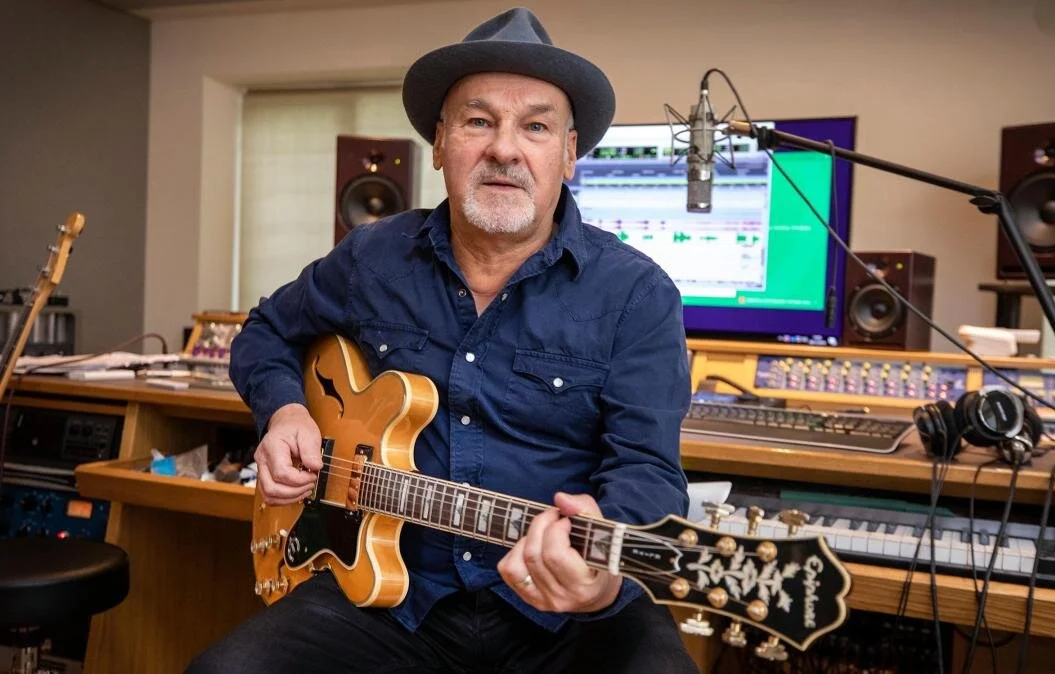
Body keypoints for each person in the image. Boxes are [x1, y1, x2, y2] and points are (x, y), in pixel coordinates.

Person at [187, 7, 698, 674]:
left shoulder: (637, 293)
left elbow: (649, 473)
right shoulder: (373, 257)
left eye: (535, 126)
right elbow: (267, 331)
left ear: (569, 153)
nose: (504, 150)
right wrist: (284, 411)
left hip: (564, 615)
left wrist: (601, 576)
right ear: (438, 143)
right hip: (388, 598)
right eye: (478, 122)